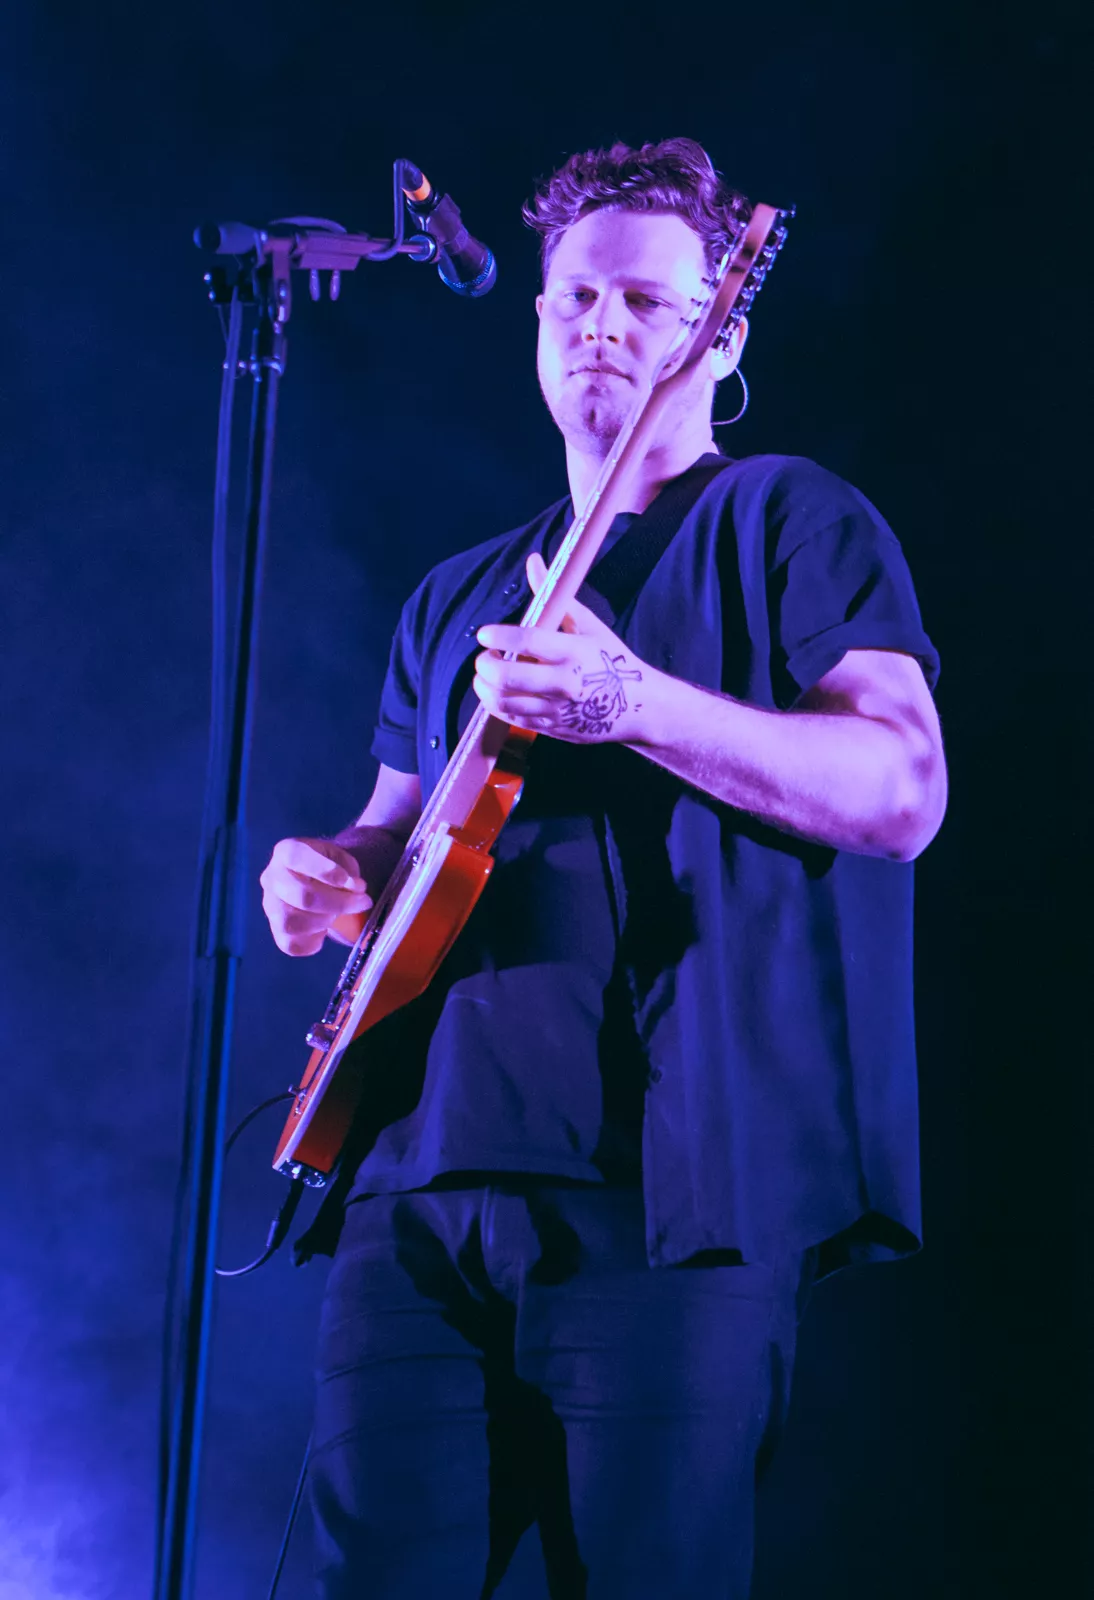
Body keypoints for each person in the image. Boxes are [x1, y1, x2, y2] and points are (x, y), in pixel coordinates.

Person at [259, 138, 947, 1600]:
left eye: (645, 303)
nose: (600, 328)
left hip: (663, 1197)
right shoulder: (457, 590)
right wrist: (325, 870)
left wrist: (634, 702)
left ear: (723, 334)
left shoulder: (788, 519)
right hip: (419, 1181)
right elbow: (393, 833)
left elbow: (901, 790)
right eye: (575, 298)